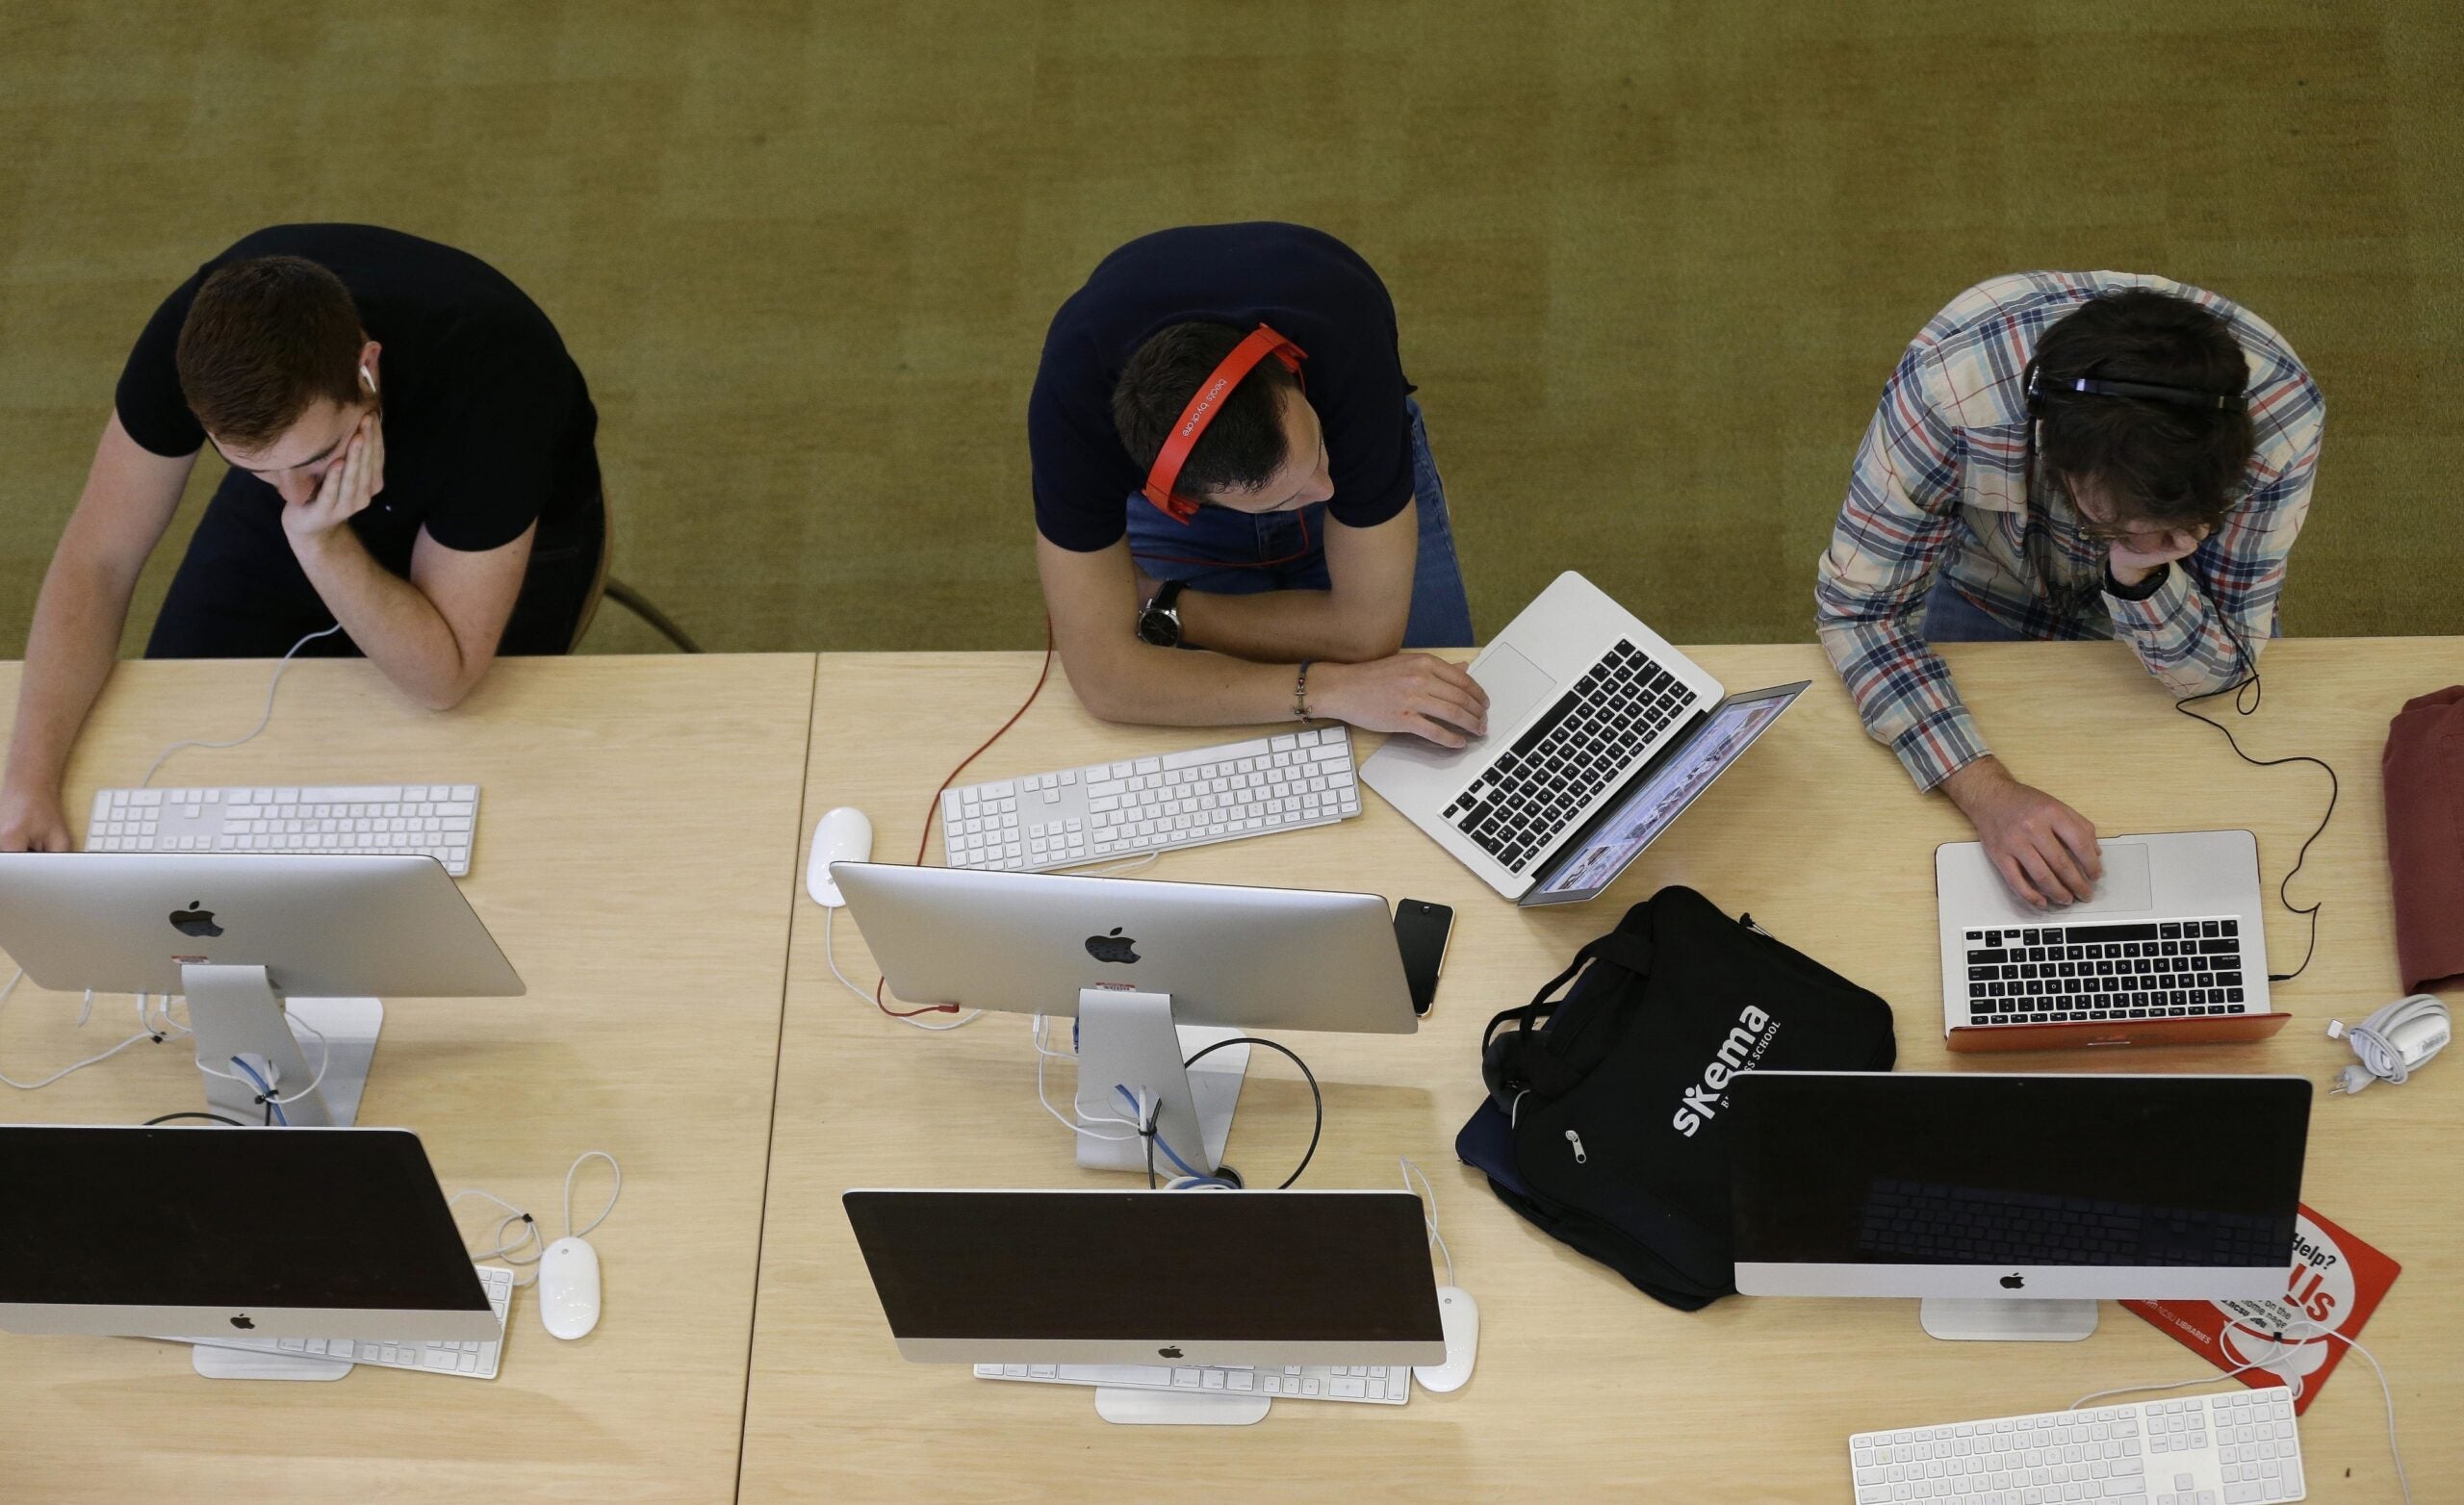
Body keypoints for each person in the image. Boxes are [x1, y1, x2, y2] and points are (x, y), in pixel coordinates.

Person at [0, 223, 605, 853]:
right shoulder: (195, 349)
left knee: (437, 777)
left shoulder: (496, 378)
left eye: (313, 459)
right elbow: (99, 559)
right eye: (252, 466)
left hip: (516, 516)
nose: (293, 494)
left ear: (366, 370)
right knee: (186, 734)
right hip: (316, 493)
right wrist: (26, 783)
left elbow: (443, 678)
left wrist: (321, 543)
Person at [1814, 272, 2324, 908]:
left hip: (2175, 600)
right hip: (1990, 588)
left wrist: (2141, 569)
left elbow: (2222, 668)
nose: (2141, 534)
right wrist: (1989, 795)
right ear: (2054, 452)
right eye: (2109, 522)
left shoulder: (2283, 421)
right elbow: (1860, 615)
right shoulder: (1949, 390)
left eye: (2166, 525)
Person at [1028, 222, 1488, 746]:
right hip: (1189, 493)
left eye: (1315, 450)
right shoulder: (1074, 419)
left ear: (1285, 363)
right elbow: (1109, 684)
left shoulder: (1343, 327)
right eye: (1286, 500)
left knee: (1440, 718)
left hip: (1347, 411)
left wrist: (1163, 603)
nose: (1328, 493)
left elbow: (1366, 634)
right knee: (1206, 746)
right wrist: (1329, 690)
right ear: (1180, 501)